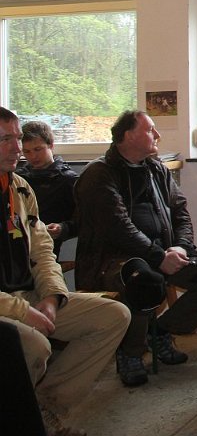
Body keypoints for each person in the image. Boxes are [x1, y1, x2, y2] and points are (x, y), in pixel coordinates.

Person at [74, 110, 197, 387]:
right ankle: (130, 353)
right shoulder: (99, 174)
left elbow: (180, 211)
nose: (157, 135)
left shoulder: (156, 168)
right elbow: (118, 228)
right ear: (128, 136)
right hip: (114, 259)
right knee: (145, 280)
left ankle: (159, 332)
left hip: (163, 252)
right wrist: (159, 257)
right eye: (150, 130)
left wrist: (181, 247)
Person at [1, 106, 130, 435]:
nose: (17, 148)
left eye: (17, 138)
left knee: (113, 315)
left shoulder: (19, 188)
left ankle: (45, 407)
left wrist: (52, 296)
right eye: (5, 140)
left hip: (27, 295)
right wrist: (23, 312)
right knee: (34, 346)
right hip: (5, 306)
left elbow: (42, 250)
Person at [16, 120, 79, 259]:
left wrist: (63, 228)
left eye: (38, 149)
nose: (33, 156)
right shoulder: (17, 179)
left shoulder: (68, 180)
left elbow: (86, 220)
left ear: (51, 145)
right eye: (26, 151)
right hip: (16, 246)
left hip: (47, 250)